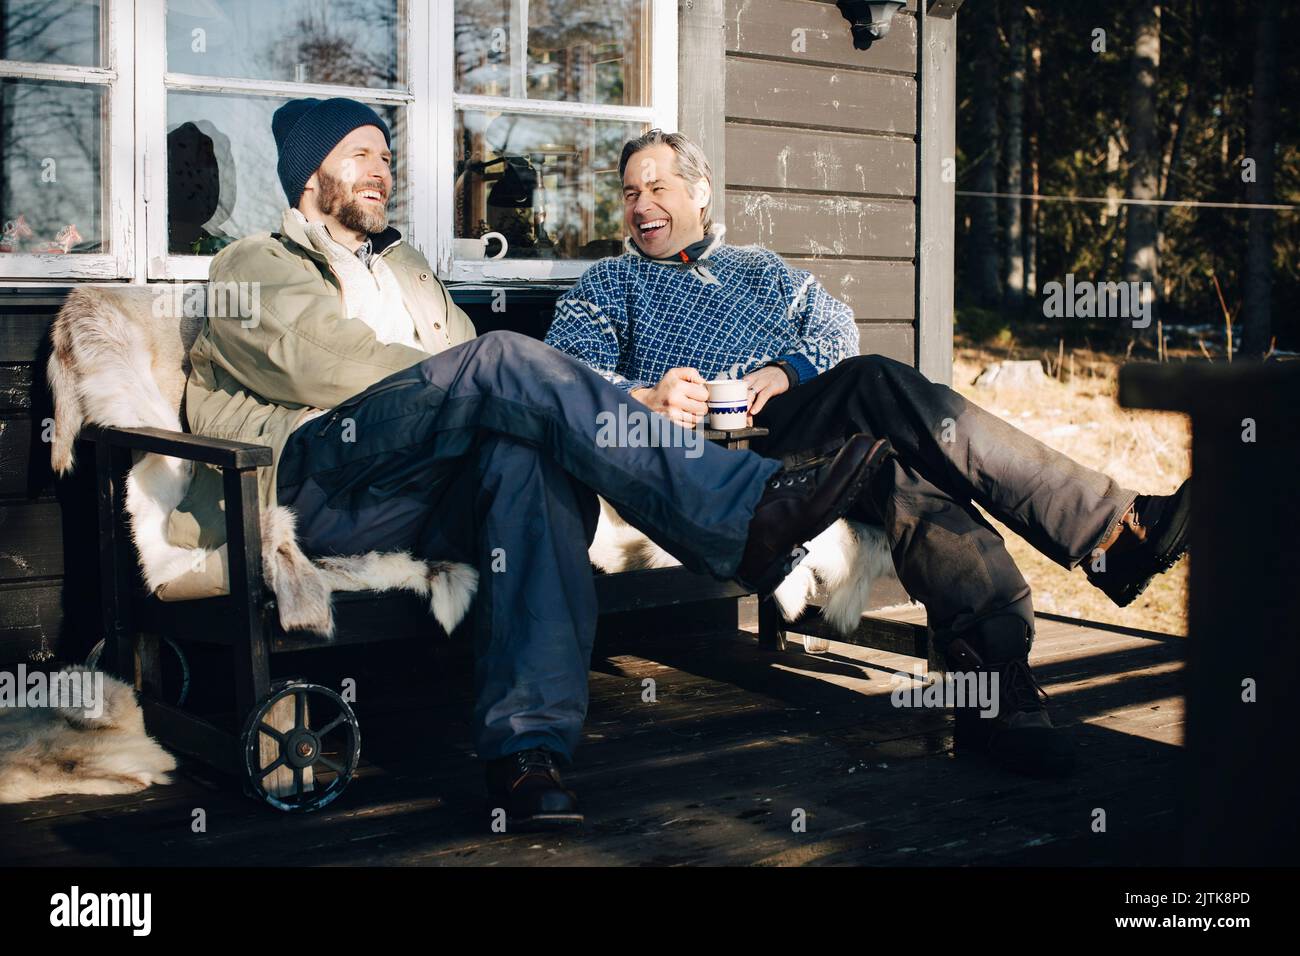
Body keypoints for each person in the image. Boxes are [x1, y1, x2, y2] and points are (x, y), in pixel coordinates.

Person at [162, 98, 887, 829]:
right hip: (313, 480)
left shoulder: (407, 268)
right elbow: (323, 366)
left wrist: (475, 381)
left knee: (523, 460)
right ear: (308, 175)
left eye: (386, 156)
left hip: (417, 489)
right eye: (359, 155)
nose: (381, 171)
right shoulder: (253, 264)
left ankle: (526, 754)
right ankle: (743, 509)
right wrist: (470, 374)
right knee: (502, 361)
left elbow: (480, 383)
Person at [545, 129, 1193, 779]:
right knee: (885, 417)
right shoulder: (610, 284)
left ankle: (1000, 686)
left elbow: (834, 326)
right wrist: (644, 396)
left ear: (700, 192)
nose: (641, 205)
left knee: (884, 426)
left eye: (657, 188)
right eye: (631, 192)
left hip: (789, 428)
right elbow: (565, 376)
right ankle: (1105, 543)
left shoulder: (762, 270)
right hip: (695, 457)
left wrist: (787, 370)